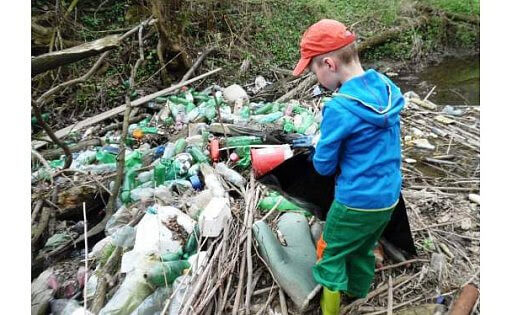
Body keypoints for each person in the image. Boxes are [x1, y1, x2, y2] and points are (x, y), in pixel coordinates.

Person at [292, 19, 405, 314]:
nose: (316, 79)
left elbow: (324, 167)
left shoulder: (339, 107)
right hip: (388, 197)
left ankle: (331, 310)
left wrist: (319, 146)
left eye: (314, 70)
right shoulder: (386, 89)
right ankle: (358, 294)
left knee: (329, 255)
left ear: (329, 64)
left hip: (356, 201)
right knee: (362, 247)